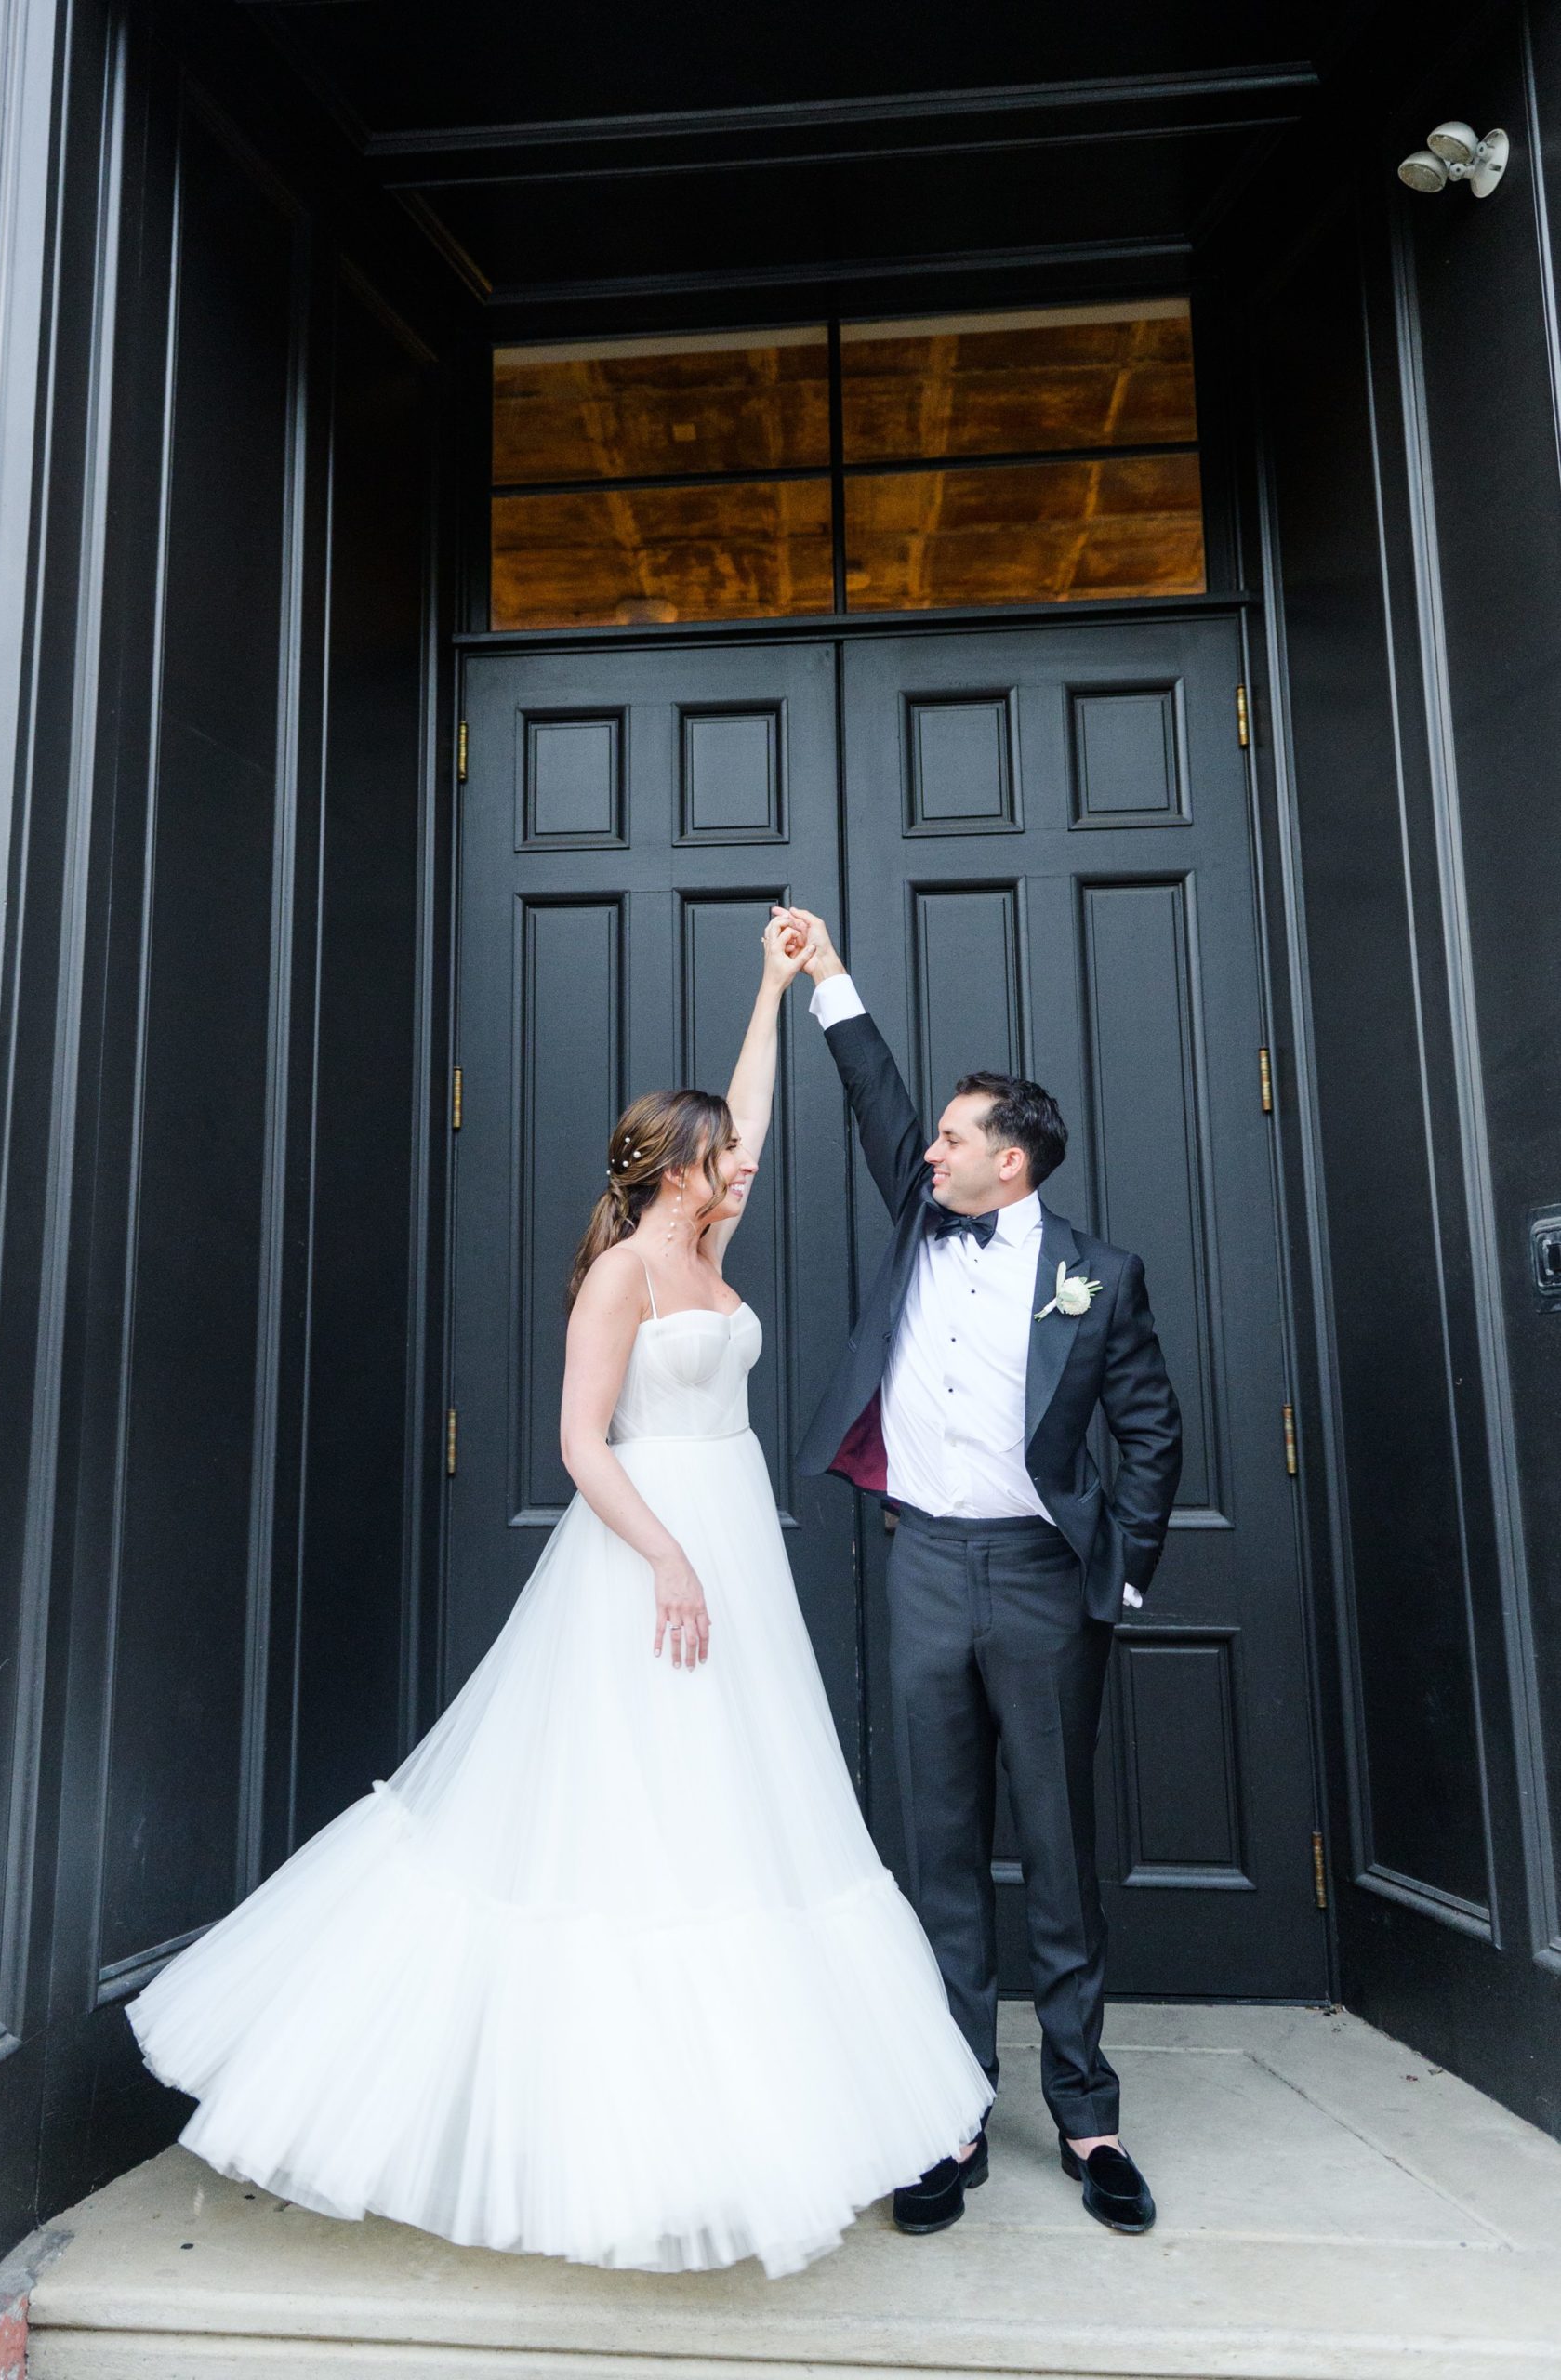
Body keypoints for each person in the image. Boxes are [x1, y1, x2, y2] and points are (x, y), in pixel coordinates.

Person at [126, 914, 989, 2281]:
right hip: (652, 1554)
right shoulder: (628, 1274)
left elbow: (752, 1104)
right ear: (675, 1173)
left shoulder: (708, 1244)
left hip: (732, 1554)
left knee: (747, 1815)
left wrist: (772, 988)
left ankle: (739, 2125)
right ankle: (622, 2140)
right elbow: (583, 1446)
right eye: (723, 1160)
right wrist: (666, 1555)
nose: (745, 1168)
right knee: (629, 1824)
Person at [778, 904, 1183, 2239]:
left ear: (1006, 1165)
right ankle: (946, 2114)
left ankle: (1086, 2111)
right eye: (935, 1137)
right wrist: (828, 975)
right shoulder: (921, 1213)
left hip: (1042, 1579)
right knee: (938, 1853)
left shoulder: (1097, 1276)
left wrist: (1115, 1576)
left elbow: (1150, 1429)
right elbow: (875, 1092)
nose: (930, 1149)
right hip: (927, 1572)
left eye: (954, 1139)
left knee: (1059, 1853)